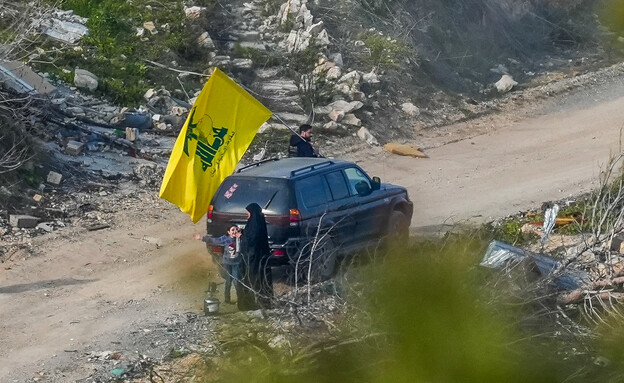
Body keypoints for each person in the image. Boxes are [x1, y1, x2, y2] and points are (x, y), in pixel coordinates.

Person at [237, 203, 273, 310]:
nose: (247, 215)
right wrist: (243, 232)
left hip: (253, 260)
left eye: (248, 213)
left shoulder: (255, 224)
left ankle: (252, 304)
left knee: (252, 280)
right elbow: (251, 234)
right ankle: (263, 303)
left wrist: (242, 236)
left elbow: (252, 240)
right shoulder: (257, 223)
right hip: (261, 259)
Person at [194, 225, 241, 304]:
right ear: (228, 232)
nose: (234, 231)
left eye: (236, 230)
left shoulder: (240, 239)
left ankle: (240, 299)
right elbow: (215, 240)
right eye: (232, 230)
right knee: (228, 281)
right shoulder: (226, 239)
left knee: (236, 282)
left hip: (236, 263)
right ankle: (227, 299)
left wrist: (240, 237)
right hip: (227, 263)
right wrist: (202, 238)